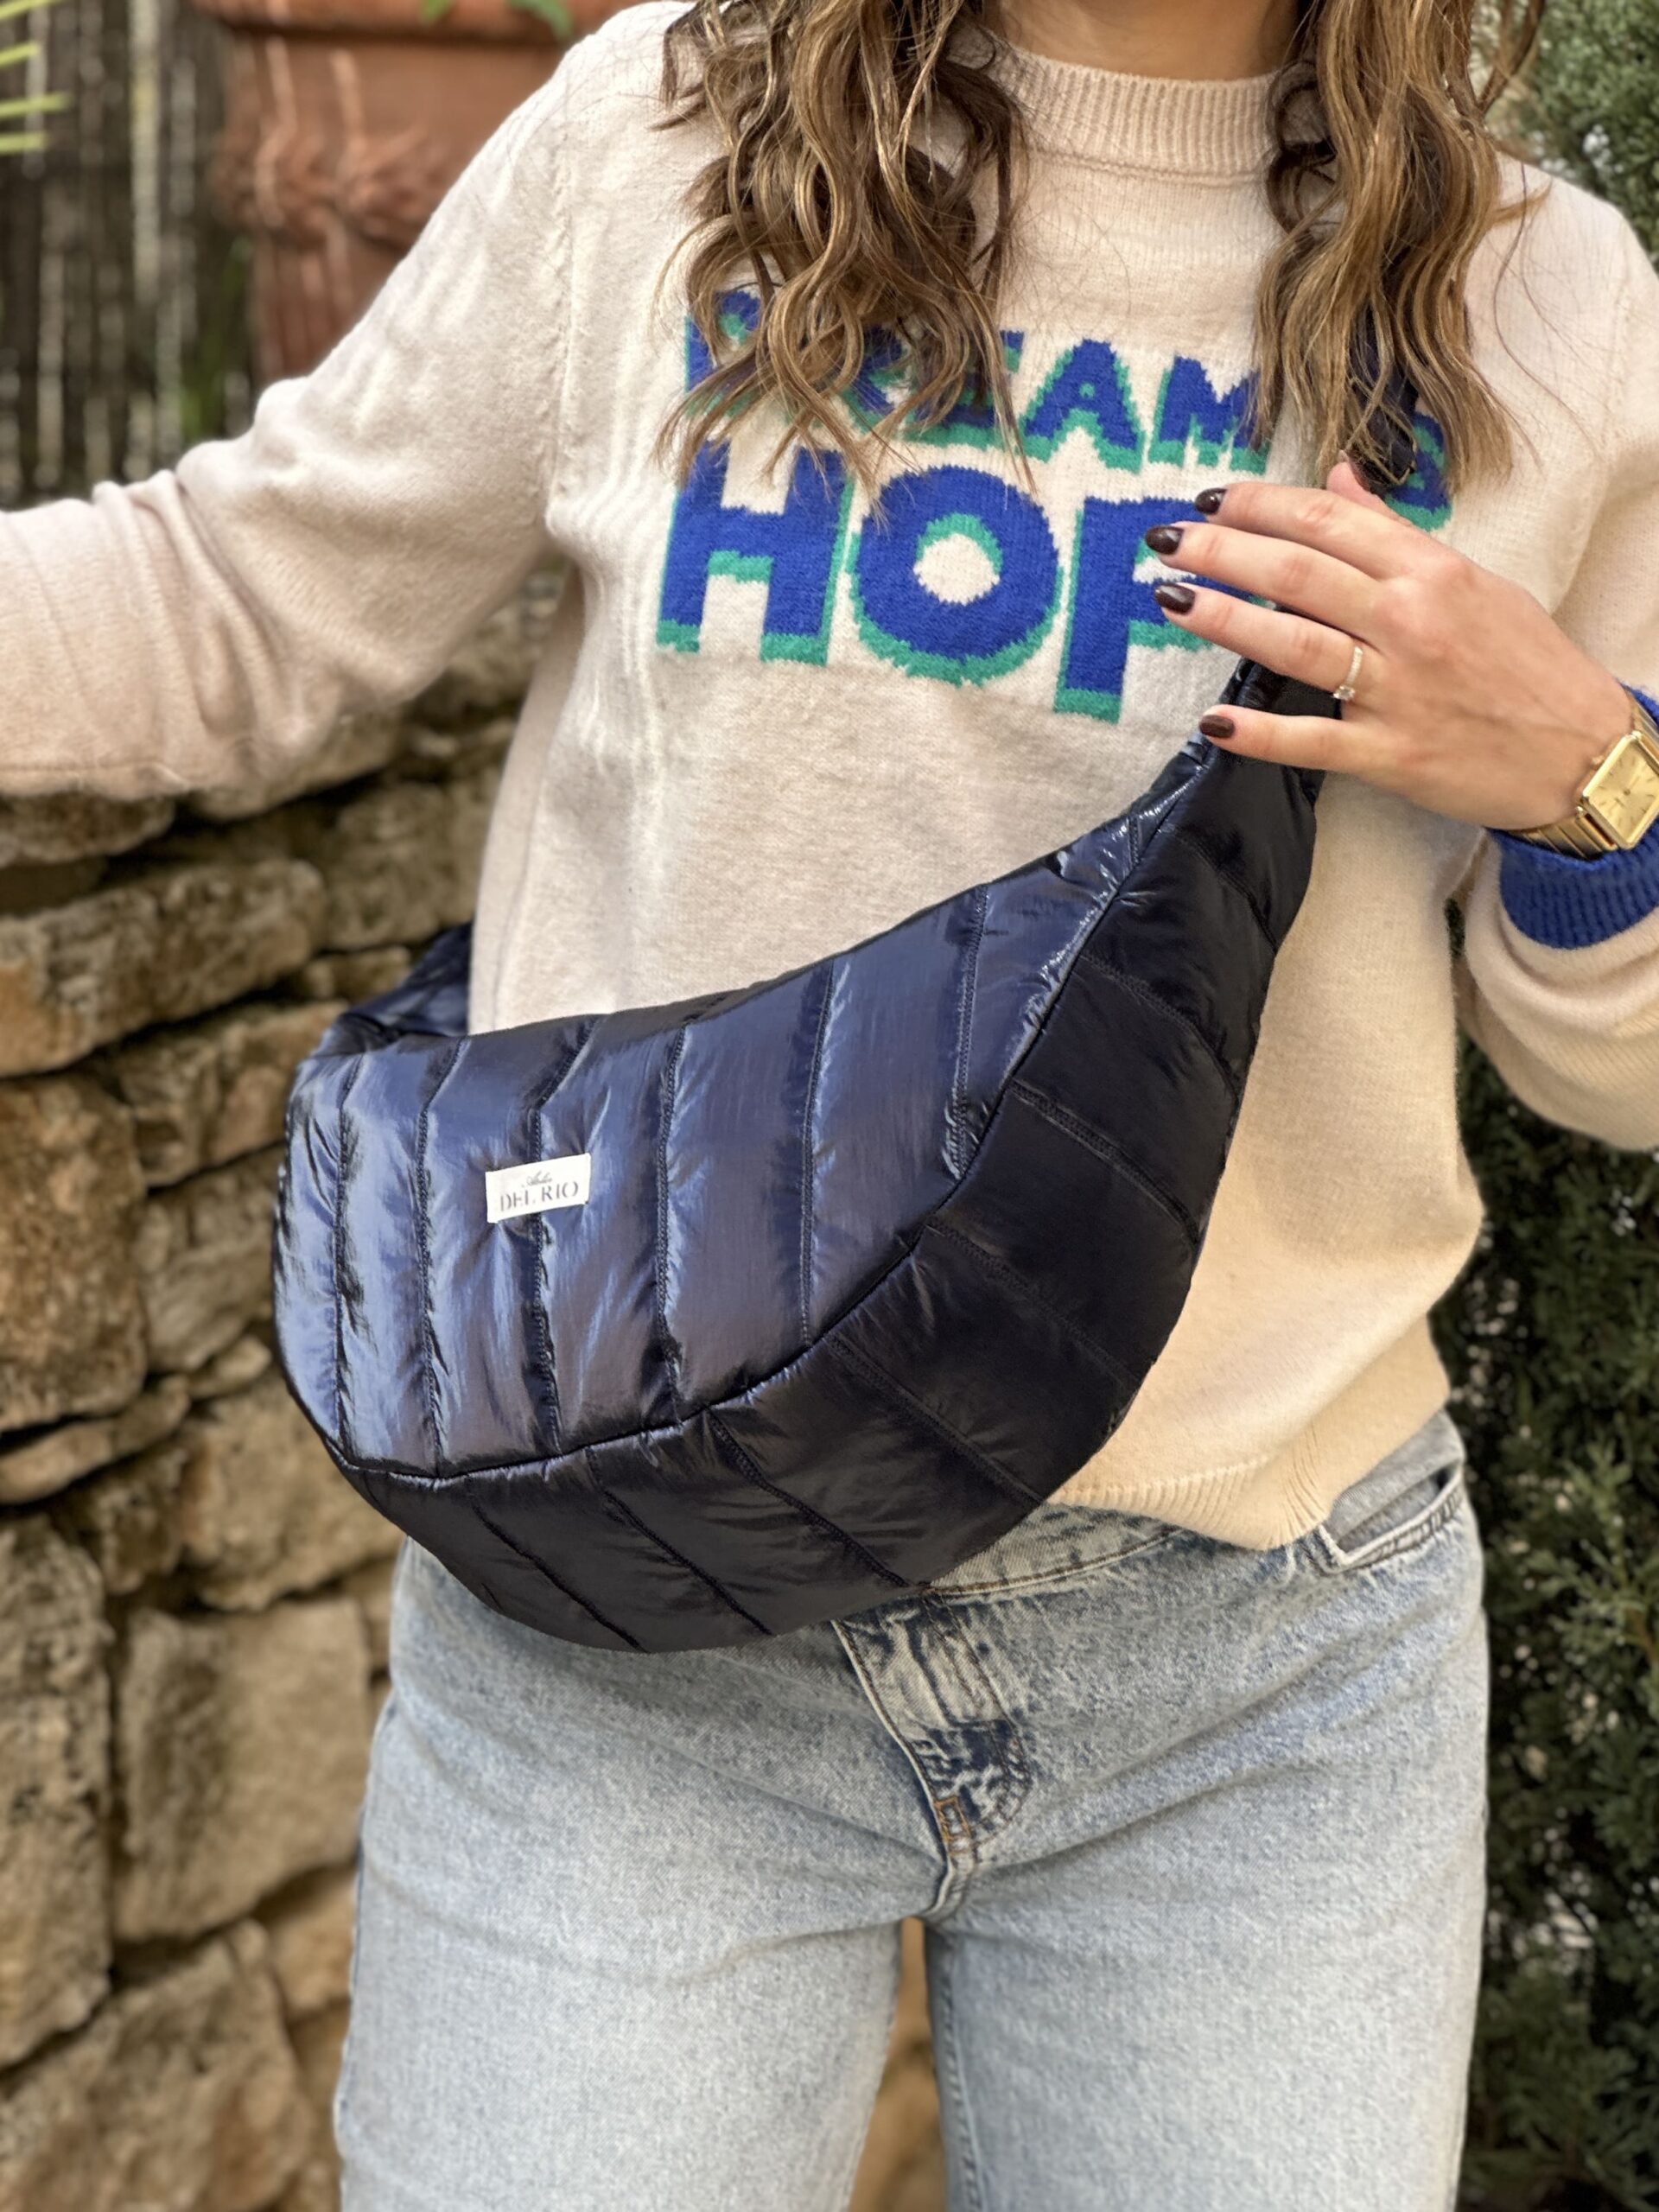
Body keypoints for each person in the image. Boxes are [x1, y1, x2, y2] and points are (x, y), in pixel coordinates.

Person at [5, 0, 1659, 2200]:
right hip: (633, 1590)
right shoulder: (664, 137)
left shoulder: (1543, 297)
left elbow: (1610, 1067)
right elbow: (239, 592)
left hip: (1258, 1657)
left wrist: (1592, 779)